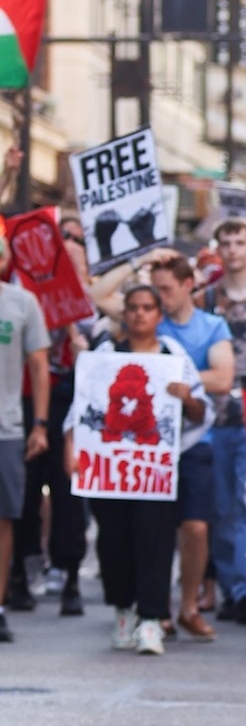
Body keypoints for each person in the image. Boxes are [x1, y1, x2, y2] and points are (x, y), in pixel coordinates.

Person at [67, 282, 204, 656]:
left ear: (159, 315)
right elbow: (80, 409)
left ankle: (151, 619)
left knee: (155, 544)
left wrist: (186, 396)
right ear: (124, 314)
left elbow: (200, 411)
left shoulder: (175, 356)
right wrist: (71, 448)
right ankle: (123, 611)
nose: (140, 314)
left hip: (153, 473)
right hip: (109, 472)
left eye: (148, 307)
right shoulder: (105, 354)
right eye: (134, 308)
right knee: (113, 542)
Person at [151, 254, 233, 642]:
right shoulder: (148, 318)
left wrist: (178, 378)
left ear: (188, 285)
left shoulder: (212, 325)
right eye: (155, 289)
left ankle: (189, 605)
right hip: (151, 444)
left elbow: (223, 377)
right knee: (158, 529)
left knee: (196, 527)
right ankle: (157, 608)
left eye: (166, 288)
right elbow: (96, 296)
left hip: (197, 439)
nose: (159, 296)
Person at [13, 216, 91, 618]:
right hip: (30, 400)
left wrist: (84, 346)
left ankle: (71, 575)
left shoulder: (92, 310)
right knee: (26, 491)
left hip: (73, 403)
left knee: (68, 491)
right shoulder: (26, 298)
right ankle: (20, 574)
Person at [200, 217, 246, 624]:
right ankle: (234, 588)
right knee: (223, 506)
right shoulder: (206, 298)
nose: (231, 249)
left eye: (238, 241)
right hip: (213, 416)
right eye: (224, 241)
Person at [0, 223, 50, 645]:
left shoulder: (22, 303)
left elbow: (39, 364)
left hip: (7, 428)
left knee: (4, 519)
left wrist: (40, 423)